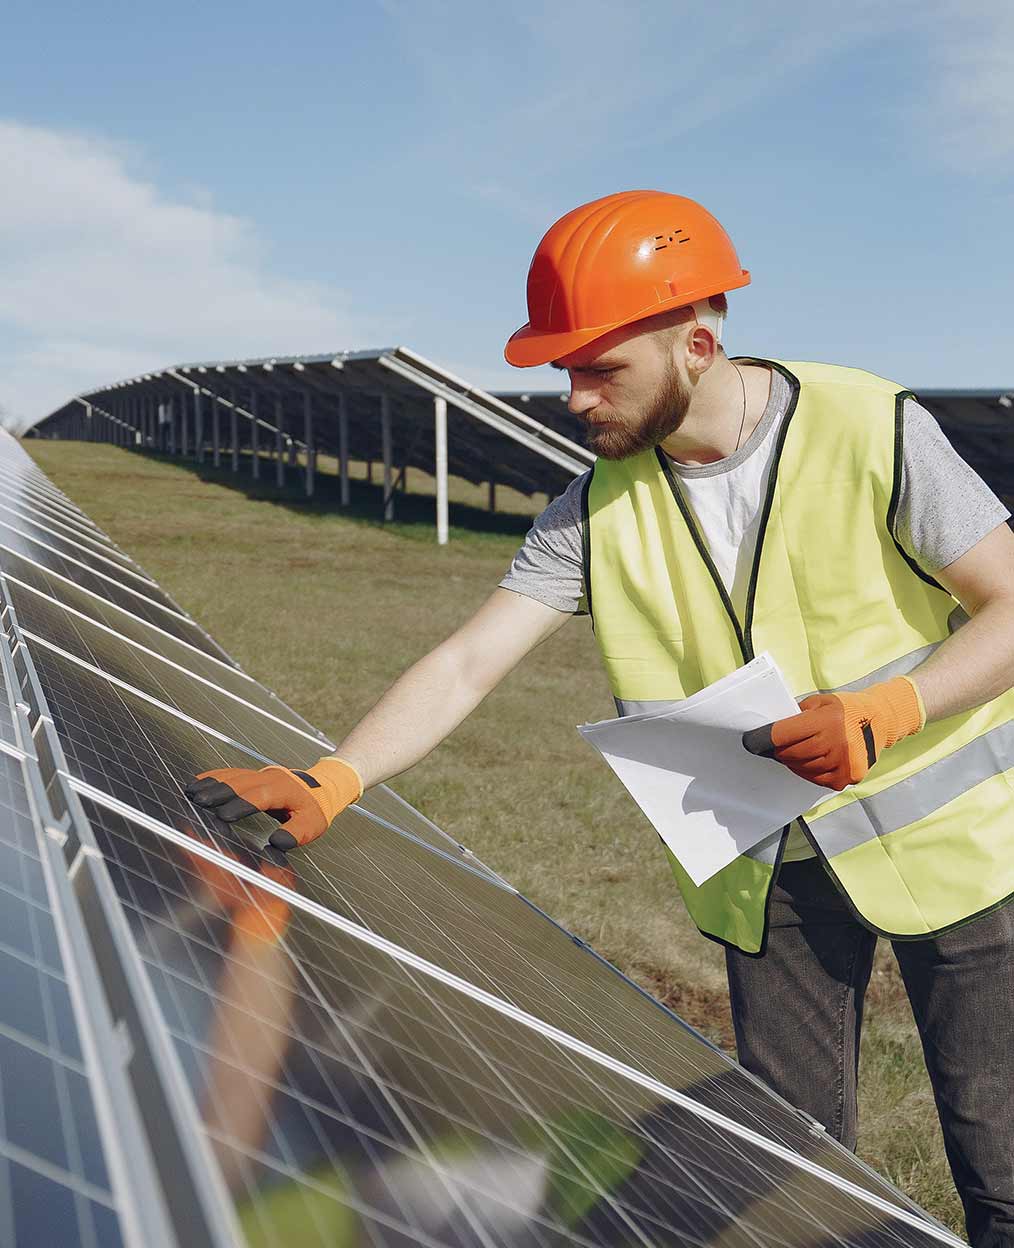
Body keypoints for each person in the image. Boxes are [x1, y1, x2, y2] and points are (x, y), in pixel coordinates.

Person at [187, 190, 1014, 1246]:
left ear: (698, 344)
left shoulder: (869, 426)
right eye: (561, 369)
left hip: (959, 850)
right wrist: (333, 776)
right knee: (787, 1156)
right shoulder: (593, 508)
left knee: (999, 1161)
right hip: (769, 863)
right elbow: (471, 659)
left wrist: (894, 704)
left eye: (596, 367)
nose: (572, 397)